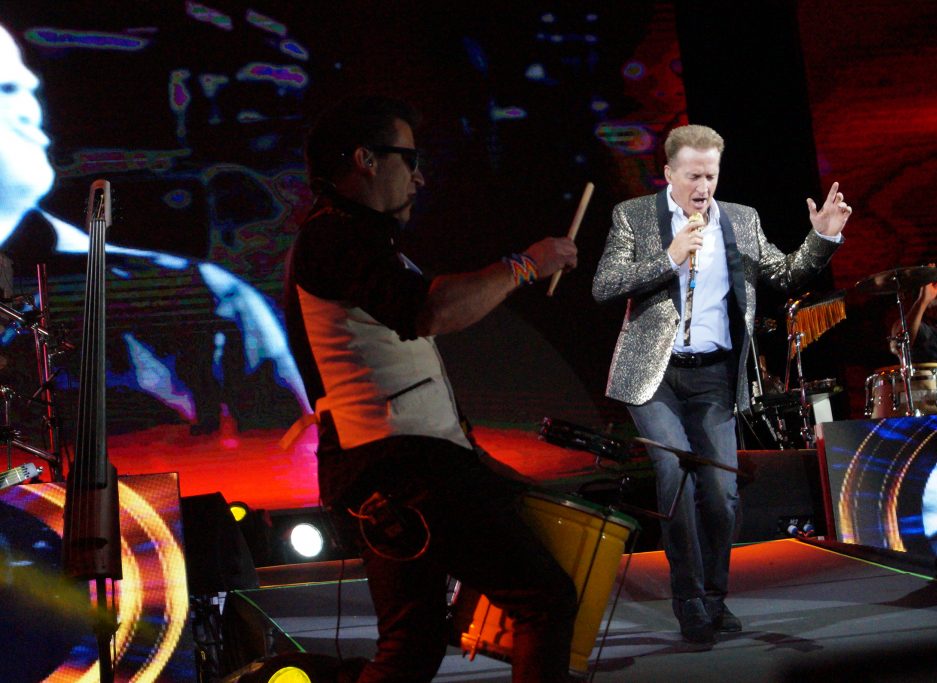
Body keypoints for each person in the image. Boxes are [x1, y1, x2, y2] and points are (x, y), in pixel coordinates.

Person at [284, 95, 579, 682]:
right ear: (366, 159)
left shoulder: (349, 237)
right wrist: (525, 265)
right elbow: (429, 310)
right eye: (409, 159)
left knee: (412, 646)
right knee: (542, 599)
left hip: (392, 469)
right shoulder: (334, 235)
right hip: (402, 466)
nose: (419, 177)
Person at [592, 124, 850, 646]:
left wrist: (822, 239)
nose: (703, 187)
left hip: (714, 376)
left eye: (710, 176)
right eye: (693, 176)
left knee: (721, 492)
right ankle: (688, 598)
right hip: (655, 375)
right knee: (675, 474)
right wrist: (668, 256)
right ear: (669, 174)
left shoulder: (740, 219)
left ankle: (714, 595)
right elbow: (604, 285)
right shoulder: (633, 216)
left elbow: (784, 275)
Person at [0, 23, 308, 438]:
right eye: (6, 89)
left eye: (25, 88)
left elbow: (290, 445)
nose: (30, 109)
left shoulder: (205, 294)